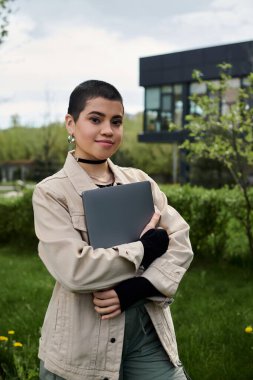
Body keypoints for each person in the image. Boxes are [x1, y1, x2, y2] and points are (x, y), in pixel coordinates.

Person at [32, 80, 193, 380]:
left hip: (148, 333)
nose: (108, 129)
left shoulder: (139, 181)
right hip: (81, 346)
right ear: (71, 123)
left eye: (116, 121)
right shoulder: (51, 193)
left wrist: (137, 289)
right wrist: (146, 248)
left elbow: (180, 242)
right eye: (96, 119)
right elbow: (76, 270)